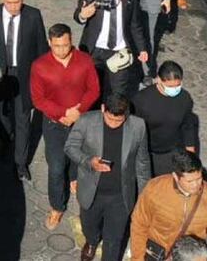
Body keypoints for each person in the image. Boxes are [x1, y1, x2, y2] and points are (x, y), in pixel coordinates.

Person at [64, 93, 151, 261]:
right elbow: (70, 146)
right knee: (89, 226)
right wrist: (89, 161)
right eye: (110, 119)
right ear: (103, 109)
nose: (113, 124)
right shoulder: (86, 121)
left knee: (114, 240)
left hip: (121, 195)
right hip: (92, 191)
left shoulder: (138, 126)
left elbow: (142, 162)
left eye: (119, 121)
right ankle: (91, 241)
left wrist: (144, 195)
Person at [30, 23, 101, 231]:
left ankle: (74, 179)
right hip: (54, 125)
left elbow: (93, 89)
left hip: (80, 122)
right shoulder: (39, 66)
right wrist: (62, 113)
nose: (62, 50)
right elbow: (38, 99)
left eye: (66, 45)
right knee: (56, 167)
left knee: (78, 158)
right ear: (50, 43)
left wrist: (79, 110)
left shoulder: (85, 61)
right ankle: (57, 206)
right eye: (57, 46)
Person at [0, 0, 48, 179]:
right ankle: (7, 138)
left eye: (17, 2)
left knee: (23, 119)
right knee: (1, 114)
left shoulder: (33, 16)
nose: (14, 7)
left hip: (24, 76)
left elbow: (42, 49)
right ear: (3, 0)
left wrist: (42, 79)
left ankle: (20, 163)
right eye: (10, 3)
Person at [129, 150, 207, 260]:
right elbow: (139, 224)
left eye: (199, 179)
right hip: (156, 254)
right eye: (190, 181)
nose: (196, 185)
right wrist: (137, 258)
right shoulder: (155, 188)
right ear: (176, 177)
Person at [74, 0, 149, 98]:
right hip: (94, 50)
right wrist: (83, 15)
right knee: (91, 91)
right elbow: (78, 15)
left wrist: (142, 48)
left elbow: (134, 23)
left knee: (117, 93)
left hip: (119, 51)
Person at [131, 61, 198, 177]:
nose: (175, 89)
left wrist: (190, 152)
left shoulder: (185, 98)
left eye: (178, 85)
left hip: (172, 152)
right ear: (159, 80)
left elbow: (188, 125)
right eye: (170, 86)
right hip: (147, 152)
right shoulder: (141, 100)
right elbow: (132, 128)